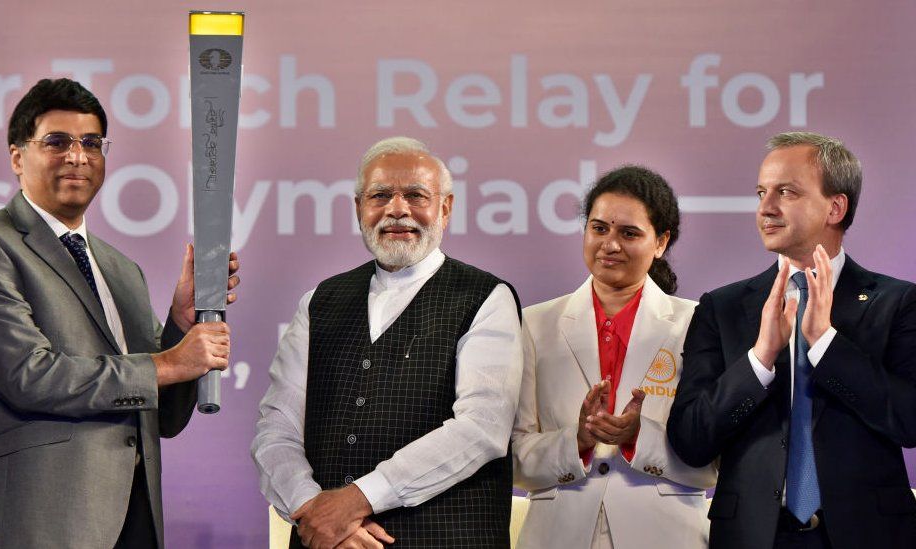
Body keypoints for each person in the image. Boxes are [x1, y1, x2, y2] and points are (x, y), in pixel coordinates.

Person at [0, 78, 239, 549]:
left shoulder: (122, 269)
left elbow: (159, 415)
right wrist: (170, 362)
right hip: (27, 524)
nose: (77, 156)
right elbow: (29, 375)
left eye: (92, 143)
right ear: (17, 156)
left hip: (132, 523)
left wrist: (182, 323)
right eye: (57, 142)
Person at [252, 136, 523, 549]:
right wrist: (316, 512)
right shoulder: (320, 301)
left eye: (415, 195)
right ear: (359, 208)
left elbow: (482, 427)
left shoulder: (486, 297)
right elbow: (276, 430)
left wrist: (357, 500)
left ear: (445, 208)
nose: (397, 209)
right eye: (380, 195)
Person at [667, 131, 916, 549]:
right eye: (762, 192)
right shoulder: (722, 307)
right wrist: (759, 360)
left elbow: (910, 420)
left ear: (835, 207)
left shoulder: (899, 302)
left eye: (786, 192)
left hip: (868, 534)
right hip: (752, 536)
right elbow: (691, 440)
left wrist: (825, 344)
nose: (766, 208)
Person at [512, 166, 716, 548]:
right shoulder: (534, 325)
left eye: (629, 233)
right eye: (599, 228)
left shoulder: (697, 323)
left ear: (660, 242)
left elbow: (715, 462)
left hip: (665, 535)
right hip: (559, 534)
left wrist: (639, 437)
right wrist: (576, 440)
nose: (610, 244)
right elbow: (514, 459)